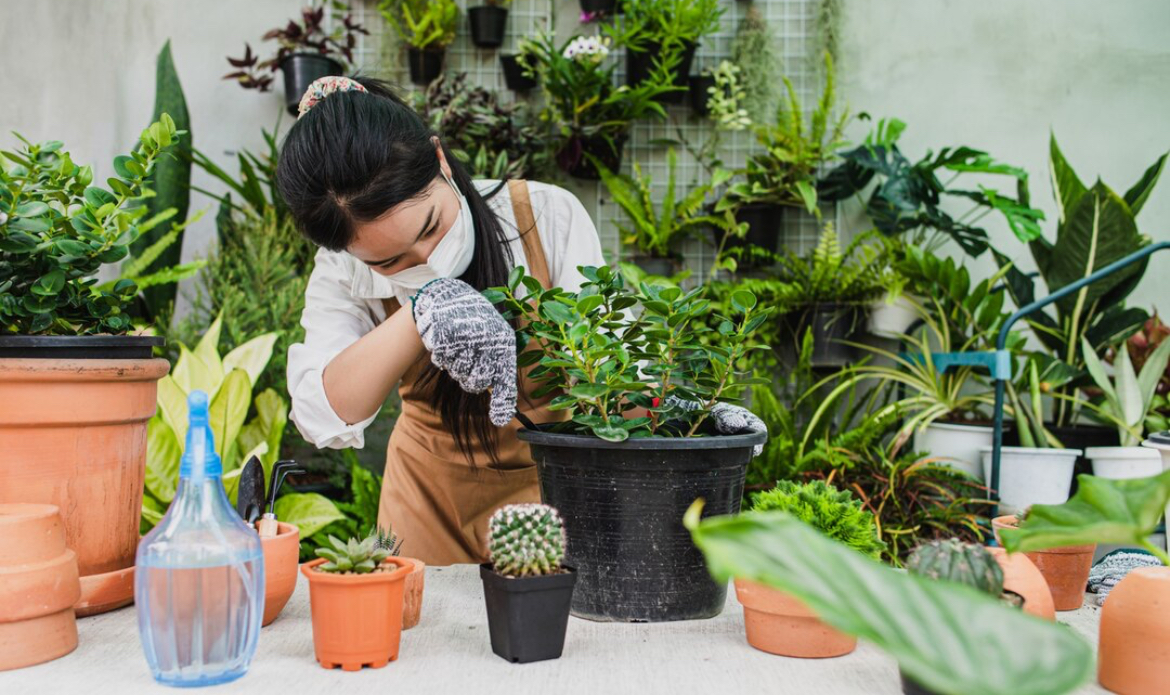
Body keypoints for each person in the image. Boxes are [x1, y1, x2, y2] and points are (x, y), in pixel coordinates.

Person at [278, 75, 764, 565]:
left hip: (551, 501)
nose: (428, 258)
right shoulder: (344, 271)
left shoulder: (542, 216)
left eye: (430, 227)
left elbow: (612, 374)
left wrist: (686, 415)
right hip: (423, 503)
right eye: (390, 263)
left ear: (441, 161)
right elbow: (323, 414)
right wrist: (421, 311)